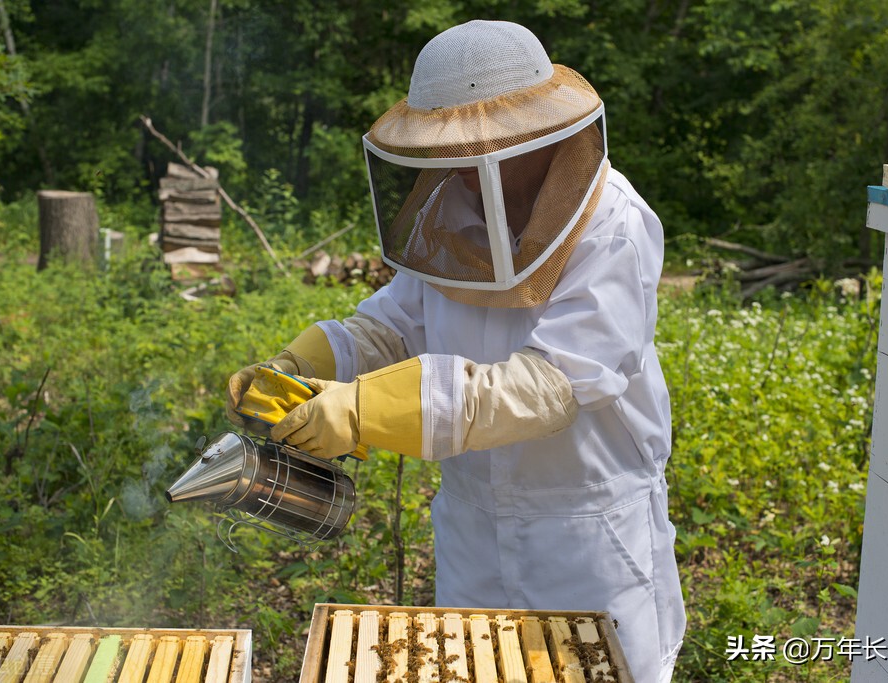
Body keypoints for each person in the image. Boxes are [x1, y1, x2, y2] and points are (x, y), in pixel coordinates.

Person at [226, 19, 685, 682]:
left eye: (477, 147)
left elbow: (550, 387)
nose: (460, 166)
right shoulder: (450, 215)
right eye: (446, 149)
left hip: (585, 538)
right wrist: (301, 365)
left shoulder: (613, 223)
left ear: (535, 135)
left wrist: (366, 409)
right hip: (472, 534)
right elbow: (390, 327)